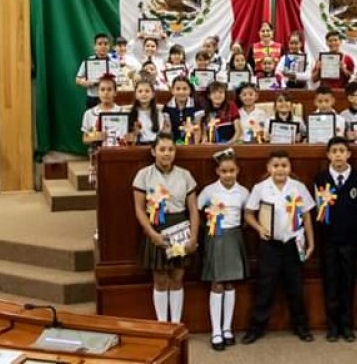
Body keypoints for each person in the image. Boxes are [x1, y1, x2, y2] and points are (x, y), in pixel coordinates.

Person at [243, 150, 316, 344]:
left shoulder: (298, 187)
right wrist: (259, 228)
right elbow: (249, 213)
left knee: (296, 288)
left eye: (284, 165)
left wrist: (311, 243)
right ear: (268, 168)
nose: (280, 169)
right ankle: (256, 328)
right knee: (265, 288)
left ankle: (301, 327)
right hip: (270, 245)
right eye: (275, 166)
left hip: (293, 244)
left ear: (290, 168)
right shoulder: (260, 188)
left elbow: (307, 216)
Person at [132, 133, 200, 323]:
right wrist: (152, 234)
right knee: (160, 278)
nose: (166, 154)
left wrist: (193, 237)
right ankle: (163, 324)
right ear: (154, 151)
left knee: (178, 276)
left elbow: (193, 209)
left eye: (170, 149)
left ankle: (176, 324)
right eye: (162, 149)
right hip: (157, 228)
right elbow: (138, 209)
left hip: (180, 227)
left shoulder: (185, 175)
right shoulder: (144, 175)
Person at [314, 137, 357, 342]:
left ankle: (347, 325)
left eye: (342, 151)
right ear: (328, 155)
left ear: (349, 154)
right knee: (331, 283)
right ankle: (333, 326)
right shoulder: (320, 179)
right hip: (328, 241)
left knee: (348, 283)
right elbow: (318, 211)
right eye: (334, 151)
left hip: (350, 241)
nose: (338, 155)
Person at [198, 148, 250, 351]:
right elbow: (196, 208)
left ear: (237, 170)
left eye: (232, 171)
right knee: (217, 283)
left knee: (230, 283)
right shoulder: (210, 191)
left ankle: (228, 328)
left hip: (234, 237)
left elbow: (249, 214)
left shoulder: (243, 192)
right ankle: (216, 331)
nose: (228, 175)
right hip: (216, 238)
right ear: (217, 172)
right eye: (224, 171)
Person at [80, 74, 123, 147]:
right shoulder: (89, 114)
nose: (106, 93)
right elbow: (85, 138)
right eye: (102, 89)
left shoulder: (123, 112)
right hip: (99, 154)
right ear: (98, 92)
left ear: (115, 92)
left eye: (109, 89)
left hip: (119, 153)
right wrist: (95, 137)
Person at [127, 79, 171, 145]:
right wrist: (135, 133)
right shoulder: (131, 114)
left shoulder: (159, 114)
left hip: (155, 146)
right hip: (138, 146)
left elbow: (161, 134)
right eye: (140, 91)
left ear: (153, 94)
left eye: (147, 91)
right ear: (135, 95)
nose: (144, 94)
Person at [162, 76, 203, 145]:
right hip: (173, 143)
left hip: (191, 143)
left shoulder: (196, 106)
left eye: (185, 89)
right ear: (172, 90)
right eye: (178, 89)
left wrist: (195, 147)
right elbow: (167, 128)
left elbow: (197, 128)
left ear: (190, 90)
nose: (181, 92)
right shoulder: (167, 107)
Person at [75, 32, 112, 109]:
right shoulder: (87, 61)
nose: (103, 46)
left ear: (109, 46)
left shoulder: (114, 62)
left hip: (109, 97)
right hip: (93, 98)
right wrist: (84, 82)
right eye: (100, 44)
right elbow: (77, 79)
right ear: (94, 46)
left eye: (105, 44)